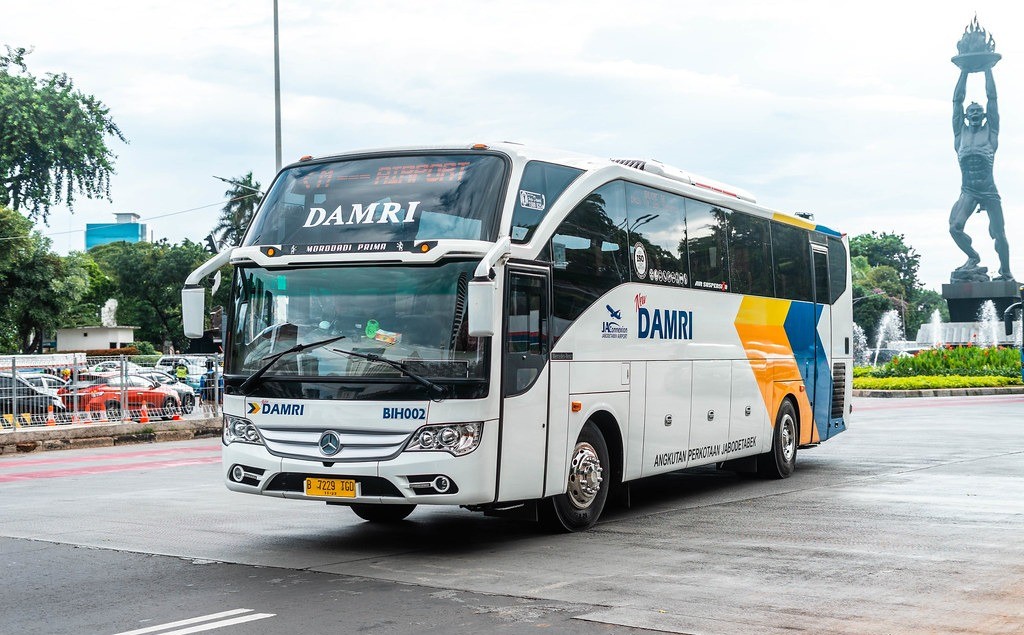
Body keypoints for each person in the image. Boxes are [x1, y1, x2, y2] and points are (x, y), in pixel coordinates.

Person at [950, 68, 1014, 281]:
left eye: (979, 112)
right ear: (966, 117)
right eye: (972, 113)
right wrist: (964, 71)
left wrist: (987, 69)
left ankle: (1006, 271)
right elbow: (956, 102)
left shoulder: (991, 132)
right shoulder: (960, 134)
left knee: (998, 233)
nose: (975, 115)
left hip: (988, 190)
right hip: (968, 190)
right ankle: (973, 257)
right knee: (955, 227)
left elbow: (992, 98)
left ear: (984, 115)